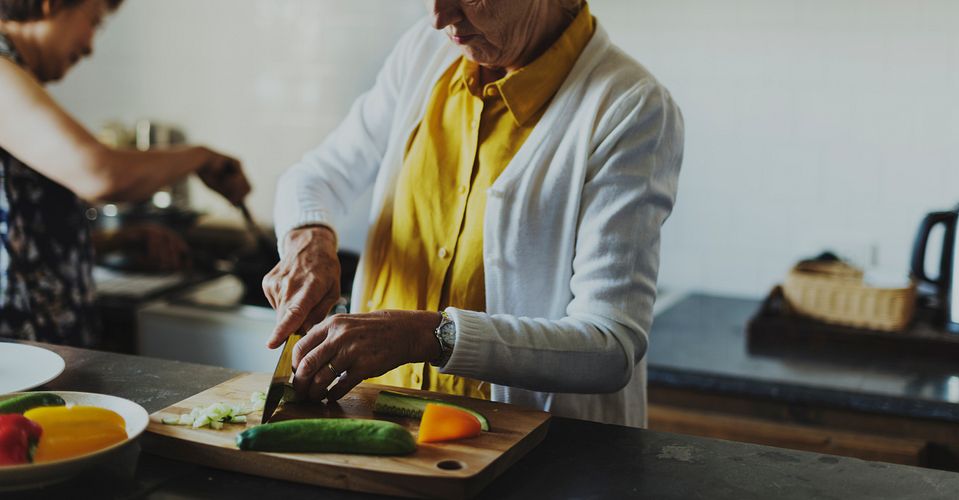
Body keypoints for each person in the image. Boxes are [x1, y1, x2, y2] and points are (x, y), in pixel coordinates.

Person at [264, 0, 683, 427]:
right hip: (386, 431)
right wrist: (308, 239)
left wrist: (424, 336)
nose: (439, 17)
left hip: (539, 455)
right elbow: (318, 175)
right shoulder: (426, 52)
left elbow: (610, 347)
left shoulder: (631, 106)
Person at [0, 0, 251, 347]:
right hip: (17, 362)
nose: (89, 46)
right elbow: (100, 173)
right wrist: (200, 157)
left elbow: (18, 238)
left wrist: (112, 243)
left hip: (35, 356)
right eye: (94, 20)